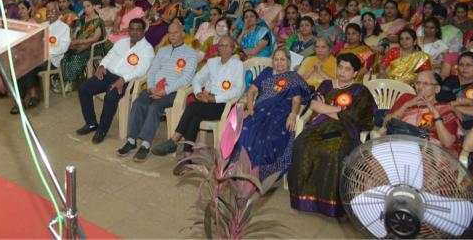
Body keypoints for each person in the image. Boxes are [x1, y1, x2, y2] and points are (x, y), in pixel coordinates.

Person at [287, 53, 377, 218]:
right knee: (302, 144)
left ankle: (330, 204)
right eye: (340, 67)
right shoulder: (327, 84)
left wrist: (327, 108)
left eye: (347, 69)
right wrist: (340, 110)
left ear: (355, 73)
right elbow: (314, 105)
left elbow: (354, 117)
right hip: (319, 126)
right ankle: (303, 198)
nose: (342, 72)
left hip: (344, 129)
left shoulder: (360, 91)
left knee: (334, 150)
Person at [151, 36, 244, 174]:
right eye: (221, 46)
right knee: (194, 117)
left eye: (227, 46)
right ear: (217, 48)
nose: (224, 49)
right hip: (206, 100)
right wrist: (199, 93)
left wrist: (215, 98)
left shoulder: (238, 65)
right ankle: (187, 159)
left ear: (233, 48)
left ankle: (174, 140)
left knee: (192, 107)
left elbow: (238, 90)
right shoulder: (212, 62)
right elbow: (197, 78)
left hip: (224, 104)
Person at [117, 20, 200, 162]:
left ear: (183, 34)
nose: (172, 36)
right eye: (170, 33)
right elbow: (153, 70)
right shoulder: (163, 50)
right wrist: (151, 87)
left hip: (173, 92)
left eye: (175, 33)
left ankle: (145, 144)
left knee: (154, 107)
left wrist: (165, 91)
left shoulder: (191, 53)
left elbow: (186, 78)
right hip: (155, 88)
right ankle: (131, 141)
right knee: (138, 103)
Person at [231, 48, 310, 180]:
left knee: (268, 137)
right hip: (260, 110)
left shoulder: (292, 77)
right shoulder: (266, 72)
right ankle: (240, 168)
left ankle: (260, 173)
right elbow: (251, 92)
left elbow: (297, 100)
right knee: (244, 131)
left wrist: (293, 114)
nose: (279, 63)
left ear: (289, 62)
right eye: (276, 59)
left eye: (282, 59)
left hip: (280, 113)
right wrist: (250, 109)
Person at [76, 19, 154, 144]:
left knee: (111, 96)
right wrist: (102, 66)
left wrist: (124, 79)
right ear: (128, 30)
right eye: (131, 29)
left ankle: (102, 130)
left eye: (138, 29)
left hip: (125, 80)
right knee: (84, 89)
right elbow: (110, 55)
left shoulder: (147, 49)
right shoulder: (121, 42)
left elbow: (142, 69)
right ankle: (91, 123)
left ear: (143, 31)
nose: (134, 32)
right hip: (107, 74)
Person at [381, 71, 460, 156]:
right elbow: (386, 124)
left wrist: (436, 115)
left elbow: (447, 143)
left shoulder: (444, 109)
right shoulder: (406, 98)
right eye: (418, 83)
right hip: (398, 147)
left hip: (430, 154)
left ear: (437, 89)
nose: (420, 87)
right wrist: (405, 106)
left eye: (426, 84)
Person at [13, 1, 69, 114]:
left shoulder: (64, 27)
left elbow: (64, 47)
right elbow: (33, 42)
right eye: (48, 11)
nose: (50, 13)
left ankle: (26, 99)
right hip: (37, 58)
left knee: (27, 64)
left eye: (53, 11)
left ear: (58, 12)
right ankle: (23, 100)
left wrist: (45, 53)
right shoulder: (42, 26)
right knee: (20, 65)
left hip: (52, 60)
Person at [59, 2, 110, 91]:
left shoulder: (98, 21)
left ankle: (72, 81)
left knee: (77, 56)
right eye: (84, 7)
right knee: (65, 55)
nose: (86, 9)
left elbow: (95, 39)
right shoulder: (82, 20)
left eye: (88, 6)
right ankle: (70, 80)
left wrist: (79, 41)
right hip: (80, 44)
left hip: (95, 47)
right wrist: (73, 38)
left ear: (93, 7)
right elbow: (76, 33)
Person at [437, 52, 473, 131]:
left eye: (469, 65)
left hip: (470, 128)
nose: (464, 68)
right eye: (461, 65)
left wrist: (452, 107)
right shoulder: (451, 80)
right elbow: (440, 99)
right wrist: (467, 102)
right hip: (442, 122)